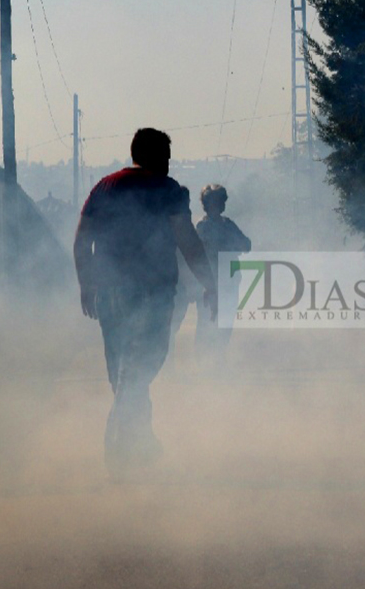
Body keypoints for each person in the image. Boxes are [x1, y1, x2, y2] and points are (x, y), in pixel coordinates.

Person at [73, 128, 217, 477]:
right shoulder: (167, 190)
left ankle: (141, 443)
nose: (168, 164)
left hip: (109, 294)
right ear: (154, 156)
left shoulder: (103, 188)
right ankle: (119, 451)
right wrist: (210, 283)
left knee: (123, 369)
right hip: (151, 293)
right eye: (166, 157)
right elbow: (188, 240)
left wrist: (86, 283)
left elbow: (82, 240)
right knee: (137, 372)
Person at [192, 184, 252, 367]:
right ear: (207, 204)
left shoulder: (228, 224)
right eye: (216, 202)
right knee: (206, 322)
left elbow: (246, 245)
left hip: (228, 282)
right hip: (209, 282)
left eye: (221, 202)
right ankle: (205, 362)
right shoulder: (202, 227)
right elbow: (197, 256)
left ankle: (216, 360)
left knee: (224, 323)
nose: (219, 206)